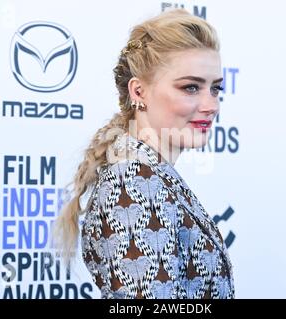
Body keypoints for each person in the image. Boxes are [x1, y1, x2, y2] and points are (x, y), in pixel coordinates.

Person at [54, 8, 235, 299]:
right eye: (190, 87)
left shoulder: (150, 173)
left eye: (215, 89)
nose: (211, 105)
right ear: (139, 92)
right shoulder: (134, 180)